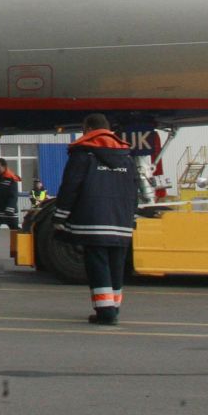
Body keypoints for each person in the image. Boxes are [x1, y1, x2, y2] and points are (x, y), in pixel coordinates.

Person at [51, 113, 138, 325]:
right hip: (121, 221)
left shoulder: (84, 153)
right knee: (117, 265)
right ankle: (113, 308)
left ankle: (104, 312)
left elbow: (70, 187)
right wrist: (131, 218)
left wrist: (60, 216)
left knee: (97, 265)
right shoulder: (126, 156)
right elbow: (135, 190)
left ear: (88, 128)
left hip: (93, 221)